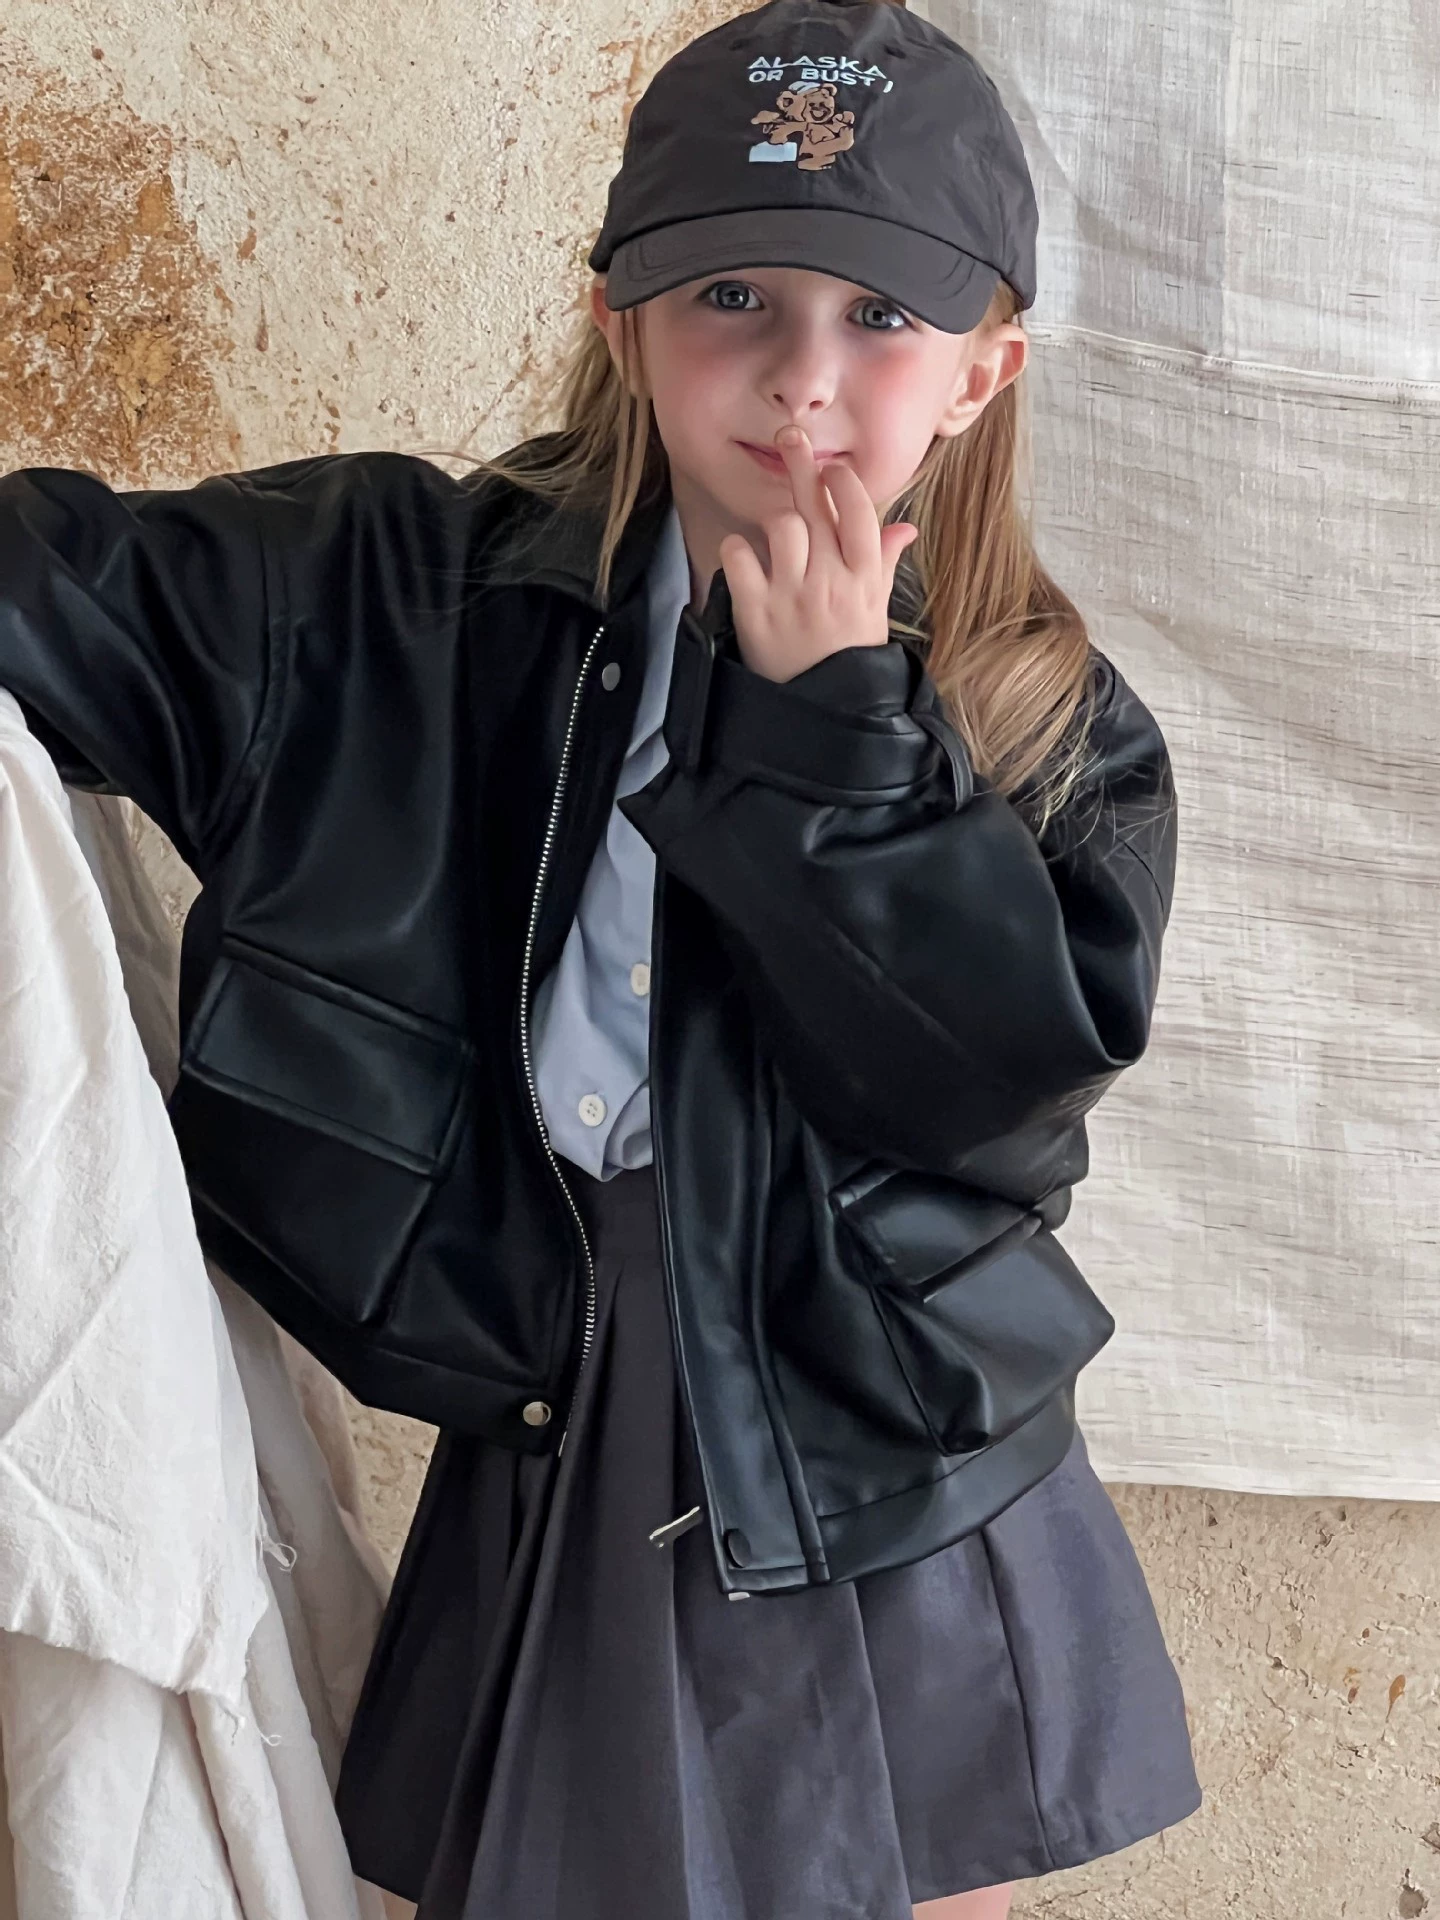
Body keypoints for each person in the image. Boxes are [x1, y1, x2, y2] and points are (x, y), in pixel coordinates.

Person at [0, 0, 1202, 1913]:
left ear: (982, 371)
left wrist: (836, 731)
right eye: (734, 295)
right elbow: (61, 598)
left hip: (866, 1449)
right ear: (622, 316)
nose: (803, 380)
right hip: (561, 1395)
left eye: (881, 317)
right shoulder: (394, 595)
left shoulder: (1044, 716)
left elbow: (985, 1100)